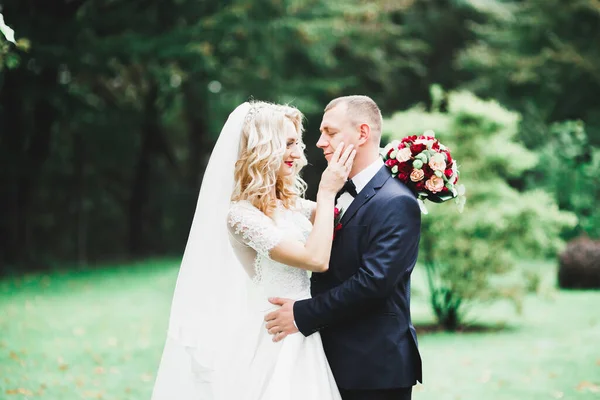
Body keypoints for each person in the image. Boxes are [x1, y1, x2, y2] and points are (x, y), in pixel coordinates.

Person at [151, 100, 355, 400]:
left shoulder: (291, 205)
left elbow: (346, 216)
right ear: (263, 148)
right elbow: (316, 259)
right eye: (287, 143)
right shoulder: (241, 216)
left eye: (297, 142)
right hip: (278, 337)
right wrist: (326, 192)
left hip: (308, 326)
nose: (298, 152)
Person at [265, 95, 423, 400]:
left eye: (330, 133)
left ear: (362, 133)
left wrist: (301, 314)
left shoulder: (396, 200)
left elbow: (373, 283)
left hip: (373, 370)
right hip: (327, 361)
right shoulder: (335, 190)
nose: (320, 143)